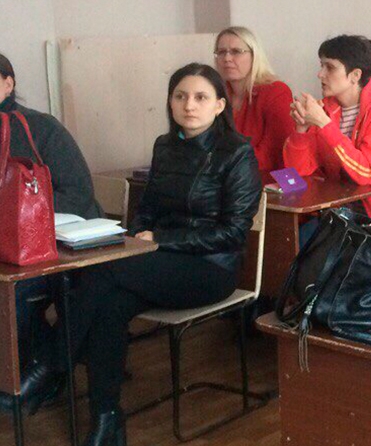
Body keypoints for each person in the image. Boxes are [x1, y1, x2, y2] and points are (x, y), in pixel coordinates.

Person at [12, 63, 262, 445]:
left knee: (102, 271)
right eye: (180, 96)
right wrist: (132, 236)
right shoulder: (165, 146)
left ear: (219, 105)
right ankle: (106, 419)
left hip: (211, 269)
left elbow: (232, 233)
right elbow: (147, 209)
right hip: (159, 262)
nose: (189, 105)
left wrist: (159, 239)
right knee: (108, 304)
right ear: (170, 102)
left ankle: (51, 364)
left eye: (200, 97)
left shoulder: (237, 153)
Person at [0, 52, 102, 415]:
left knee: (12, 295)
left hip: (62, 243)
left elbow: (78, 192)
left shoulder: (41, 128)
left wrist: (19, 214)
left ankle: (45, 371)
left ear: (8, 84)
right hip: (9, 248)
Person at [285, 35, 371, 241]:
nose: (320, 74)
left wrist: (324, 125)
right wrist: (301, 131)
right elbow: (298, 175)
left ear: (355, 75)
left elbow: (366, 171)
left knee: (314, 249)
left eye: (330, 67)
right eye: (321, 65)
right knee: (293, 241)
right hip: (341, 215)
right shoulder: (326, 109)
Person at [215, 26, 294, 171]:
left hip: (271, 179)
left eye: (236, 51)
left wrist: (219, 162)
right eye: (221, 52)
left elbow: (275, 154)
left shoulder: (276, 92)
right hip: (225, 176)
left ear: (254, 56)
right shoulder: (215, 93)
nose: (227, 58)